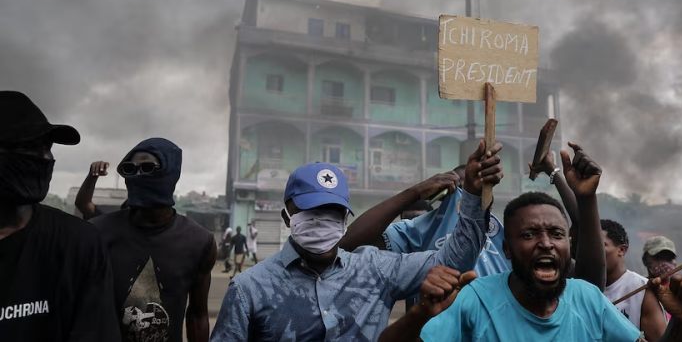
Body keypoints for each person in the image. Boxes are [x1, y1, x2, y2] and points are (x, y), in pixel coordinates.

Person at [211, 139, 503, 341]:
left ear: (345, 219)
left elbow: (454, 260)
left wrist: (474, 196)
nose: (321, 220)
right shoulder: (249, 289)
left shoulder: (376, 269)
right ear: (287, 217)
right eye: (311, 211)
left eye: (332, 212)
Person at [380, 191, 682, 341]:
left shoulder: (588, 300)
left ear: (569, 245)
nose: (546, 243)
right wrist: (421, 314)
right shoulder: (474, 299)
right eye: (529, 234)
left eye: (556, 233)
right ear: (507, 249)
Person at [340, 143, 607, 290]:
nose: (471, 190)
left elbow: (583, 253)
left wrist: (570, 186)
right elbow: (347, 244)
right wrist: (413, 192)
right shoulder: (417, 229)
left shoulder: (510, 232)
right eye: (466, 183)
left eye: (480, 181)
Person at [0, 90, 120, 341]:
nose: (46, 158)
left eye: (47, 147)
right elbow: (84, 203)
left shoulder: (79, 243)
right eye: (29, 147)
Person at [91, 138, 216, 342]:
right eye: (130, 169)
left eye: (148, 167)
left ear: (171, 173)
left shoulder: (199, 242)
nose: (138, 175)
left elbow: (197, 315)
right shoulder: (98, 233)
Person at [601, 219, 666, 340]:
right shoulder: (579, 287)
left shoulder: (641, 289)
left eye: (600, 245)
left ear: (621, 250)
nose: (593, 252)